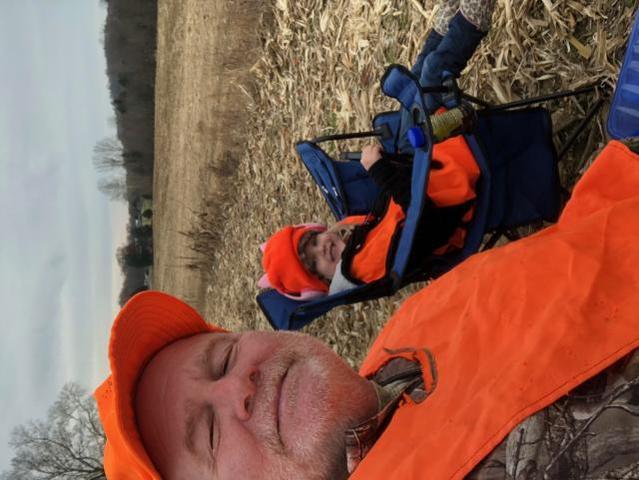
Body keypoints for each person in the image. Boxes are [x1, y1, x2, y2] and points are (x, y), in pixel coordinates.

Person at [96, 139, 639, 479]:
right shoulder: (366, 266)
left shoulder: (406, 332)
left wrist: (626, 160)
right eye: (209, 436)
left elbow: (573, 249)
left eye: (223, 358)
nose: (238, 387)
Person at [259, 136, 479, 298]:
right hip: (462, 179)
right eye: (314, 262)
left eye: (314, 241)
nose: (322, 249)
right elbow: (430, 227)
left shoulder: (357, 249)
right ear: (323, 282)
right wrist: (381, 172)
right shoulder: (363, 267)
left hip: (441, 171)